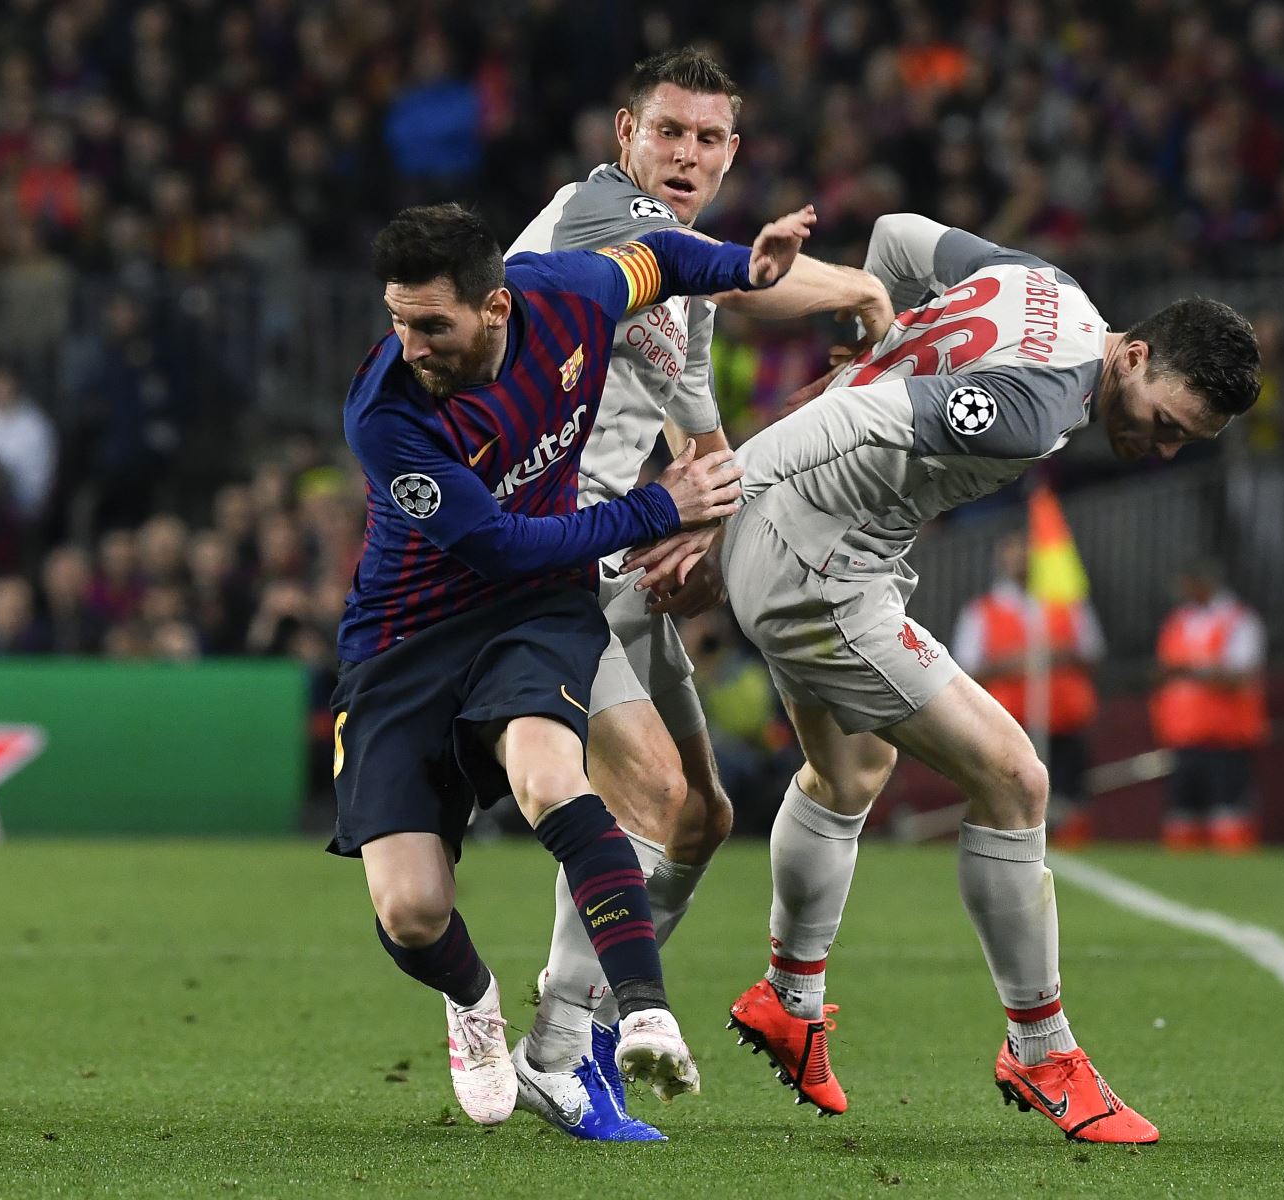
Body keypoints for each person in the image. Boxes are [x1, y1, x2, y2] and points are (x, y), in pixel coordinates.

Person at [628, 212, 1260, 1142]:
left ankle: (785, 1001)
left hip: (831, 546)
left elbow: (894, 237)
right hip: (820, 569)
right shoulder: (1040, 404)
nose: (1159, 449)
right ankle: (1042, 1051)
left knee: (849, 776)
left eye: (1182, 445)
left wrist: (873, 336)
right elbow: (857, 416)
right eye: (1165, 424)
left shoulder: (1045, 286)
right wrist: (710, 508)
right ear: (1132, 356)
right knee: (1015, 777)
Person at [331, 201, 795, 1130]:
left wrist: (745, 262)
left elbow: (658, 257)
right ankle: (473, 1001)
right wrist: (659, 509)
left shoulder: (571, 293)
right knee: (414, 911)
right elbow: (498, 543)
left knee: (551, 777)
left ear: (496, 308)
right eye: (397, 319)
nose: (410, 344)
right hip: (406, 639)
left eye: (431, 324)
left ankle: (641, 1015)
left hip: (533, 612)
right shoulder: (385, 415)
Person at [502, 46, 895, 1141]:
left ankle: (565, 1028)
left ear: (732, 152)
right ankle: (558, 1047)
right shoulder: (594, 215)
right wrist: (863, 288)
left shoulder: (687, 289)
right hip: (535, 556)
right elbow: (748, 275)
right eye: (668, 131)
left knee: (705, 817)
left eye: (708, 138)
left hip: (614, 552)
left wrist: (825, 415)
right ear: (624, 133)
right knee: (655, 797)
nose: (685, 153)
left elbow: (708, 450)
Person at [952, 532, 1104, 846]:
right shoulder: (982, 610)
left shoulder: (1065, 602)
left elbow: (1092, 652)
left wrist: (1056, 654)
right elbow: (964, 669)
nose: (1020, 562)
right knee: (1011, 799)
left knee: (1069, 802)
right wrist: (1013, 663)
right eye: (1013, 554)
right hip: (1009, 723)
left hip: (1063, 721)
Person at [1150, 560, 1268, 851]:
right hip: (1183, 736)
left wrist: (1192, 670)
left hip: (1225, 739)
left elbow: (1240, 675)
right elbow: (1164, 672)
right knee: (1182, 817)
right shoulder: (1178, 621)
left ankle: (1237, 885)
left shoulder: (1239, 620)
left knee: (1228, 817)